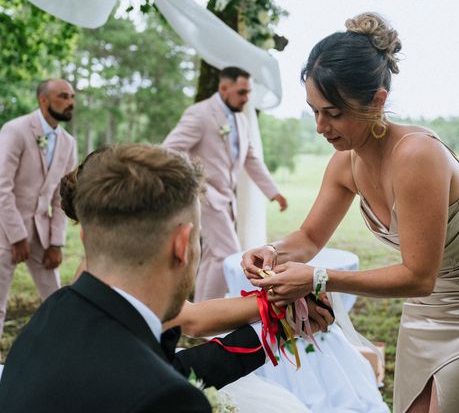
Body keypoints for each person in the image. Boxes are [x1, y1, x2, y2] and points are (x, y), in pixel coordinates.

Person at [242, 13, 459, 413]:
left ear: (377, 101)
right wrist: (271, 250)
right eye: (314, 111)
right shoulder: (346, 164)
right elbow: (308, 239)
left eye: (334, 113)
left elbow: (418, 275)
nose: (321, 126)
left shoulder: (416, 155)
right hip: (427, 309)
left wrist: (319, 279)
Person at [0, 144, 331, 412]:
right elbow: (151, 382)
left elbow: (150, 369)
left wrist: (275, 327)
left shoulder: (50, 314)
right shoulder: (164, 399)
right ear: (182, 244)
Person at [164, 66, 288, 301]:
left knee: (214, 258)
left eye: (248, 92)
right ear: (224, 88)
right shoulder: (200, 114)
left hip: (226, 200)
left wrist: (273, 192)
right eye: (242, 92)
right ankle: (217, 314)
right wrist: (194, 183)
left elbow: (251, 159)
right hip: (205, 198)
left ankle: (203, 312)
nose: (246, 98)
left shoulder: (240, 120)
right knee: (229, 254)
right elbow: (170, 149)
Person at [0, 78, 77, 340]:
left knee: (56, 301)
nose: (70, 103)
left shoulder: (68, 142)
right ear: (43, 100)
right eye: (63, 97)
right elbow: (2, 187)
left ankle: (61, 357)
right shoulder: (16, 130)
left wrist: (56, 243)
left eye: (72, 97)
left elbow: (61, 197)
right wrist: (17, 236)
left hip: (43, 234)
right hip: (5, 230)